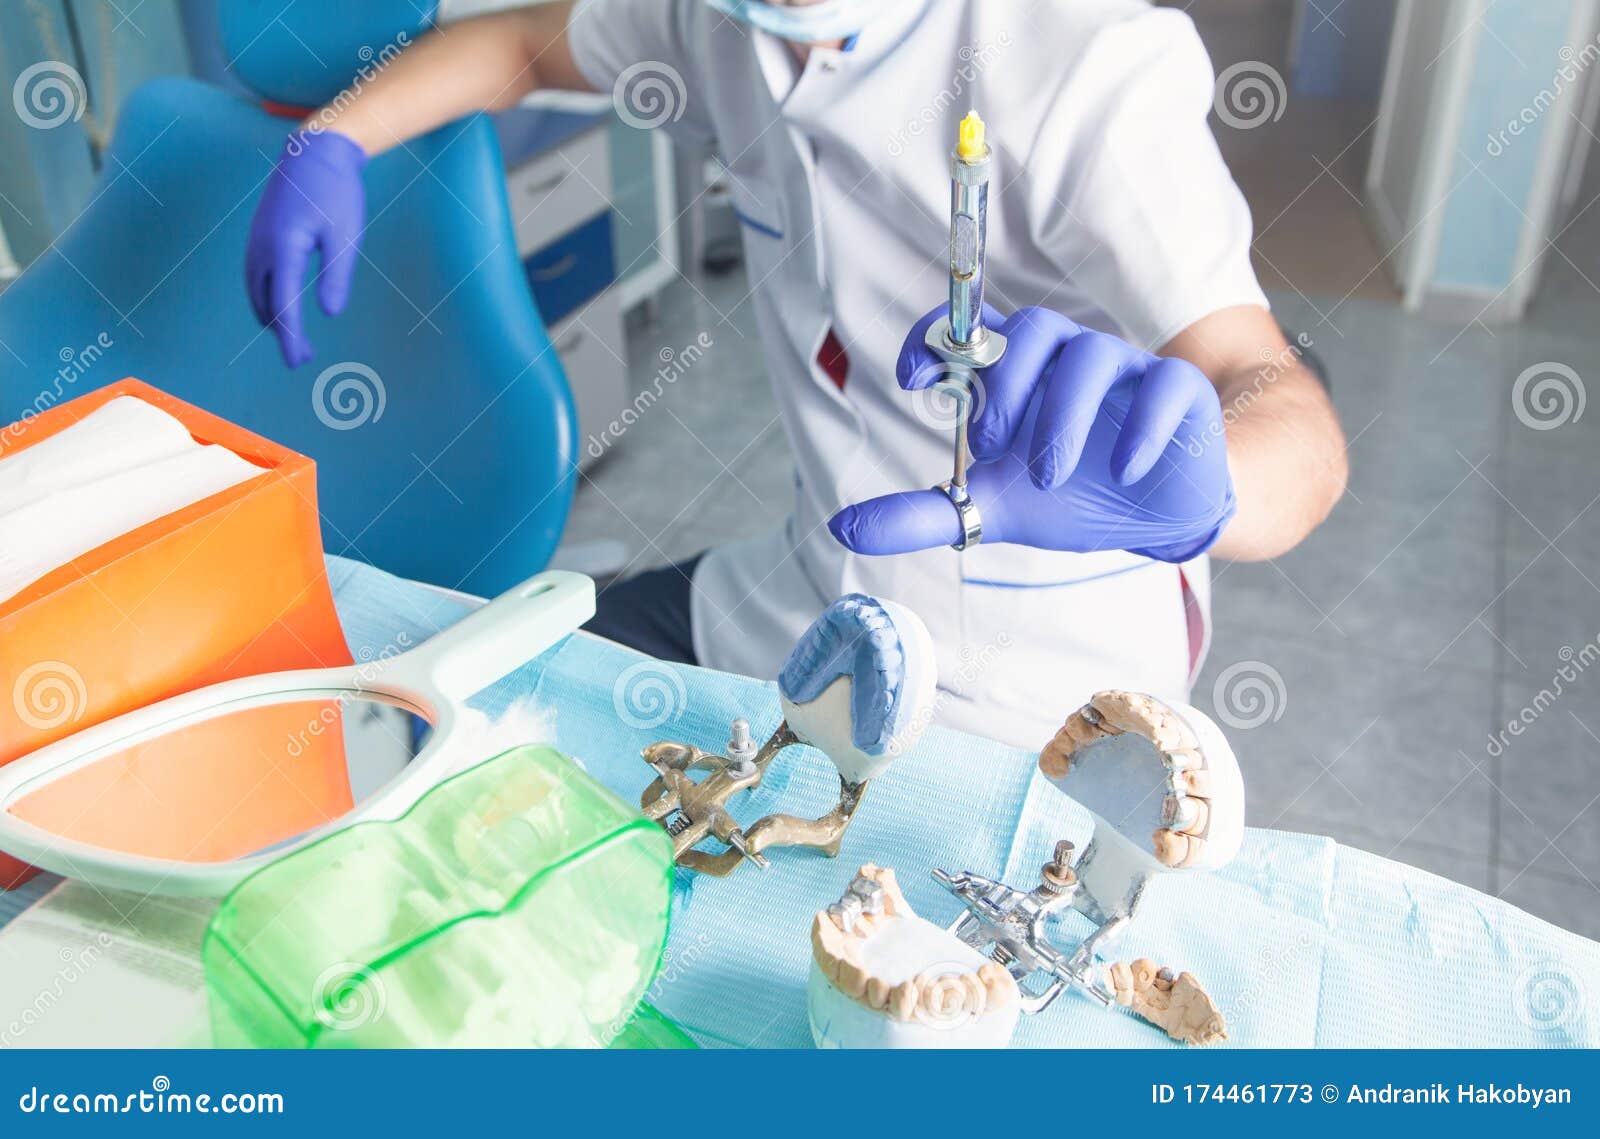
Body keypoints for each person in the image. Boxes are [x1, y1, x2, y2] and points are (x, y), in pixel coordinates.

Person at [245, 0, 1347, 748]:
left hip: (1037, 678)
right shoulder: (723, 18)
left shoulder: (1079, 59)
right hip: (802, 586)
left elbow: (1274, 397)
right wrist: (335, 140)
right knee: (473, 711)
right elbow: (525, 46)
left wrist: (1204, 485)